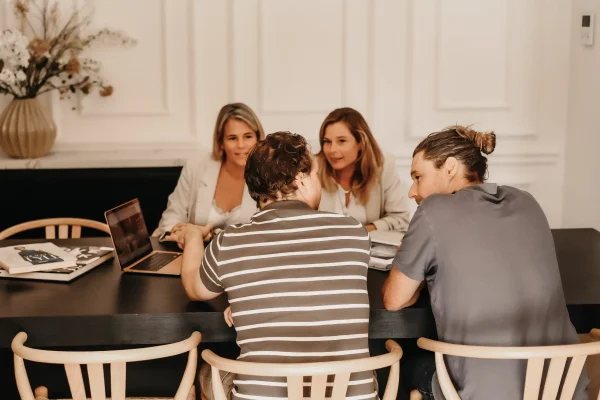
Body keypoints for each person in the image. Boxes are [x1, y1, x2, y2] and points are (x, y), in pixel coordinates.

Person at [381, 125, 588, 399]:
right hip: (559, 387)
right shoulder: (527, 201)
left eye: (418, 176)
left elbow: (394, 300)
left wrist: (414, 263)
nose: (412, 191)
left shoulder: (434, 209)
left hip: (482, 392)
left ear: (451, 168)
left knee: (403, 359)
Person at [172, 132, 376, 400]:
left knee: (206, 371)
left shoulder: (230, 242)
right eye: (315, 175)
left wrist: (194, 237)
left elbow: (194, 287)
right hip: (348, 396)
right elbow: (313, 275)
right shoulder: (352, 232)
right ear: (300, 180)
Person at [156, 103, 265, 241]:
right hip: (196, 255)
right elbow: (171, 218)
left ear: (257, 138)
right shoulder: (196, 166)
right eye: (232, 138)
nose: (241, 145)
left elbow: (271, 231)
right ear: (221, 142)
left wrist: (211, 235)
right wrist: (183, 235)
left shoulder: (269, 173)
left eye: (248, 136)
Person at [316, 107, 410, 236]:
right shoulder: (312, 170)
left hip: (370, 251)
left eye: (341, 141)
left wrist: (361, 231)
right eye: (327, 142)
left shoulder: (383, 166)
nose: (332, 149)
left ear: (360, 142)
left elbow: (400, 220)